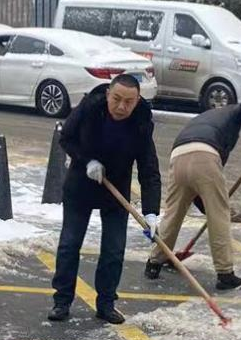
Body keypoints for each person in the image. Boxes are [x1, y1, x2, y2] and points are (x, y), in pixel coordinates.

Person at [48, 73, 161, 326]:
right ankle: (62, 301)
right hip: (81, 184)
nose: (122, 107)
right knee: (69, 244)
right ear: (108, 95)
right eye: (117, 99)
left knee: (113, 249)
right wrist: (87, 161)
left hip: (115, 191)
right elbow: (66, 137)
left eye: (129, 102)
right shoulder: (90, 107)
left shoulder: (142, 122)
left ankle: (106, 304)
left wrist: (152, 213)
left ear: (138, 99)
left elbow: (149, 169)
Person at [146, 95, 241, 292]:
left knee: (173, 213)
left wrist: (206, 204)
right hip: (205, 154)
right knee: (219, 215)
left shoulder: (214, 115)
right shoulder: (239, 109)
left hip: (178, 155)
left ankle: (154, 262)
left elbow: (197, 187)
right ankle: (225, 274)